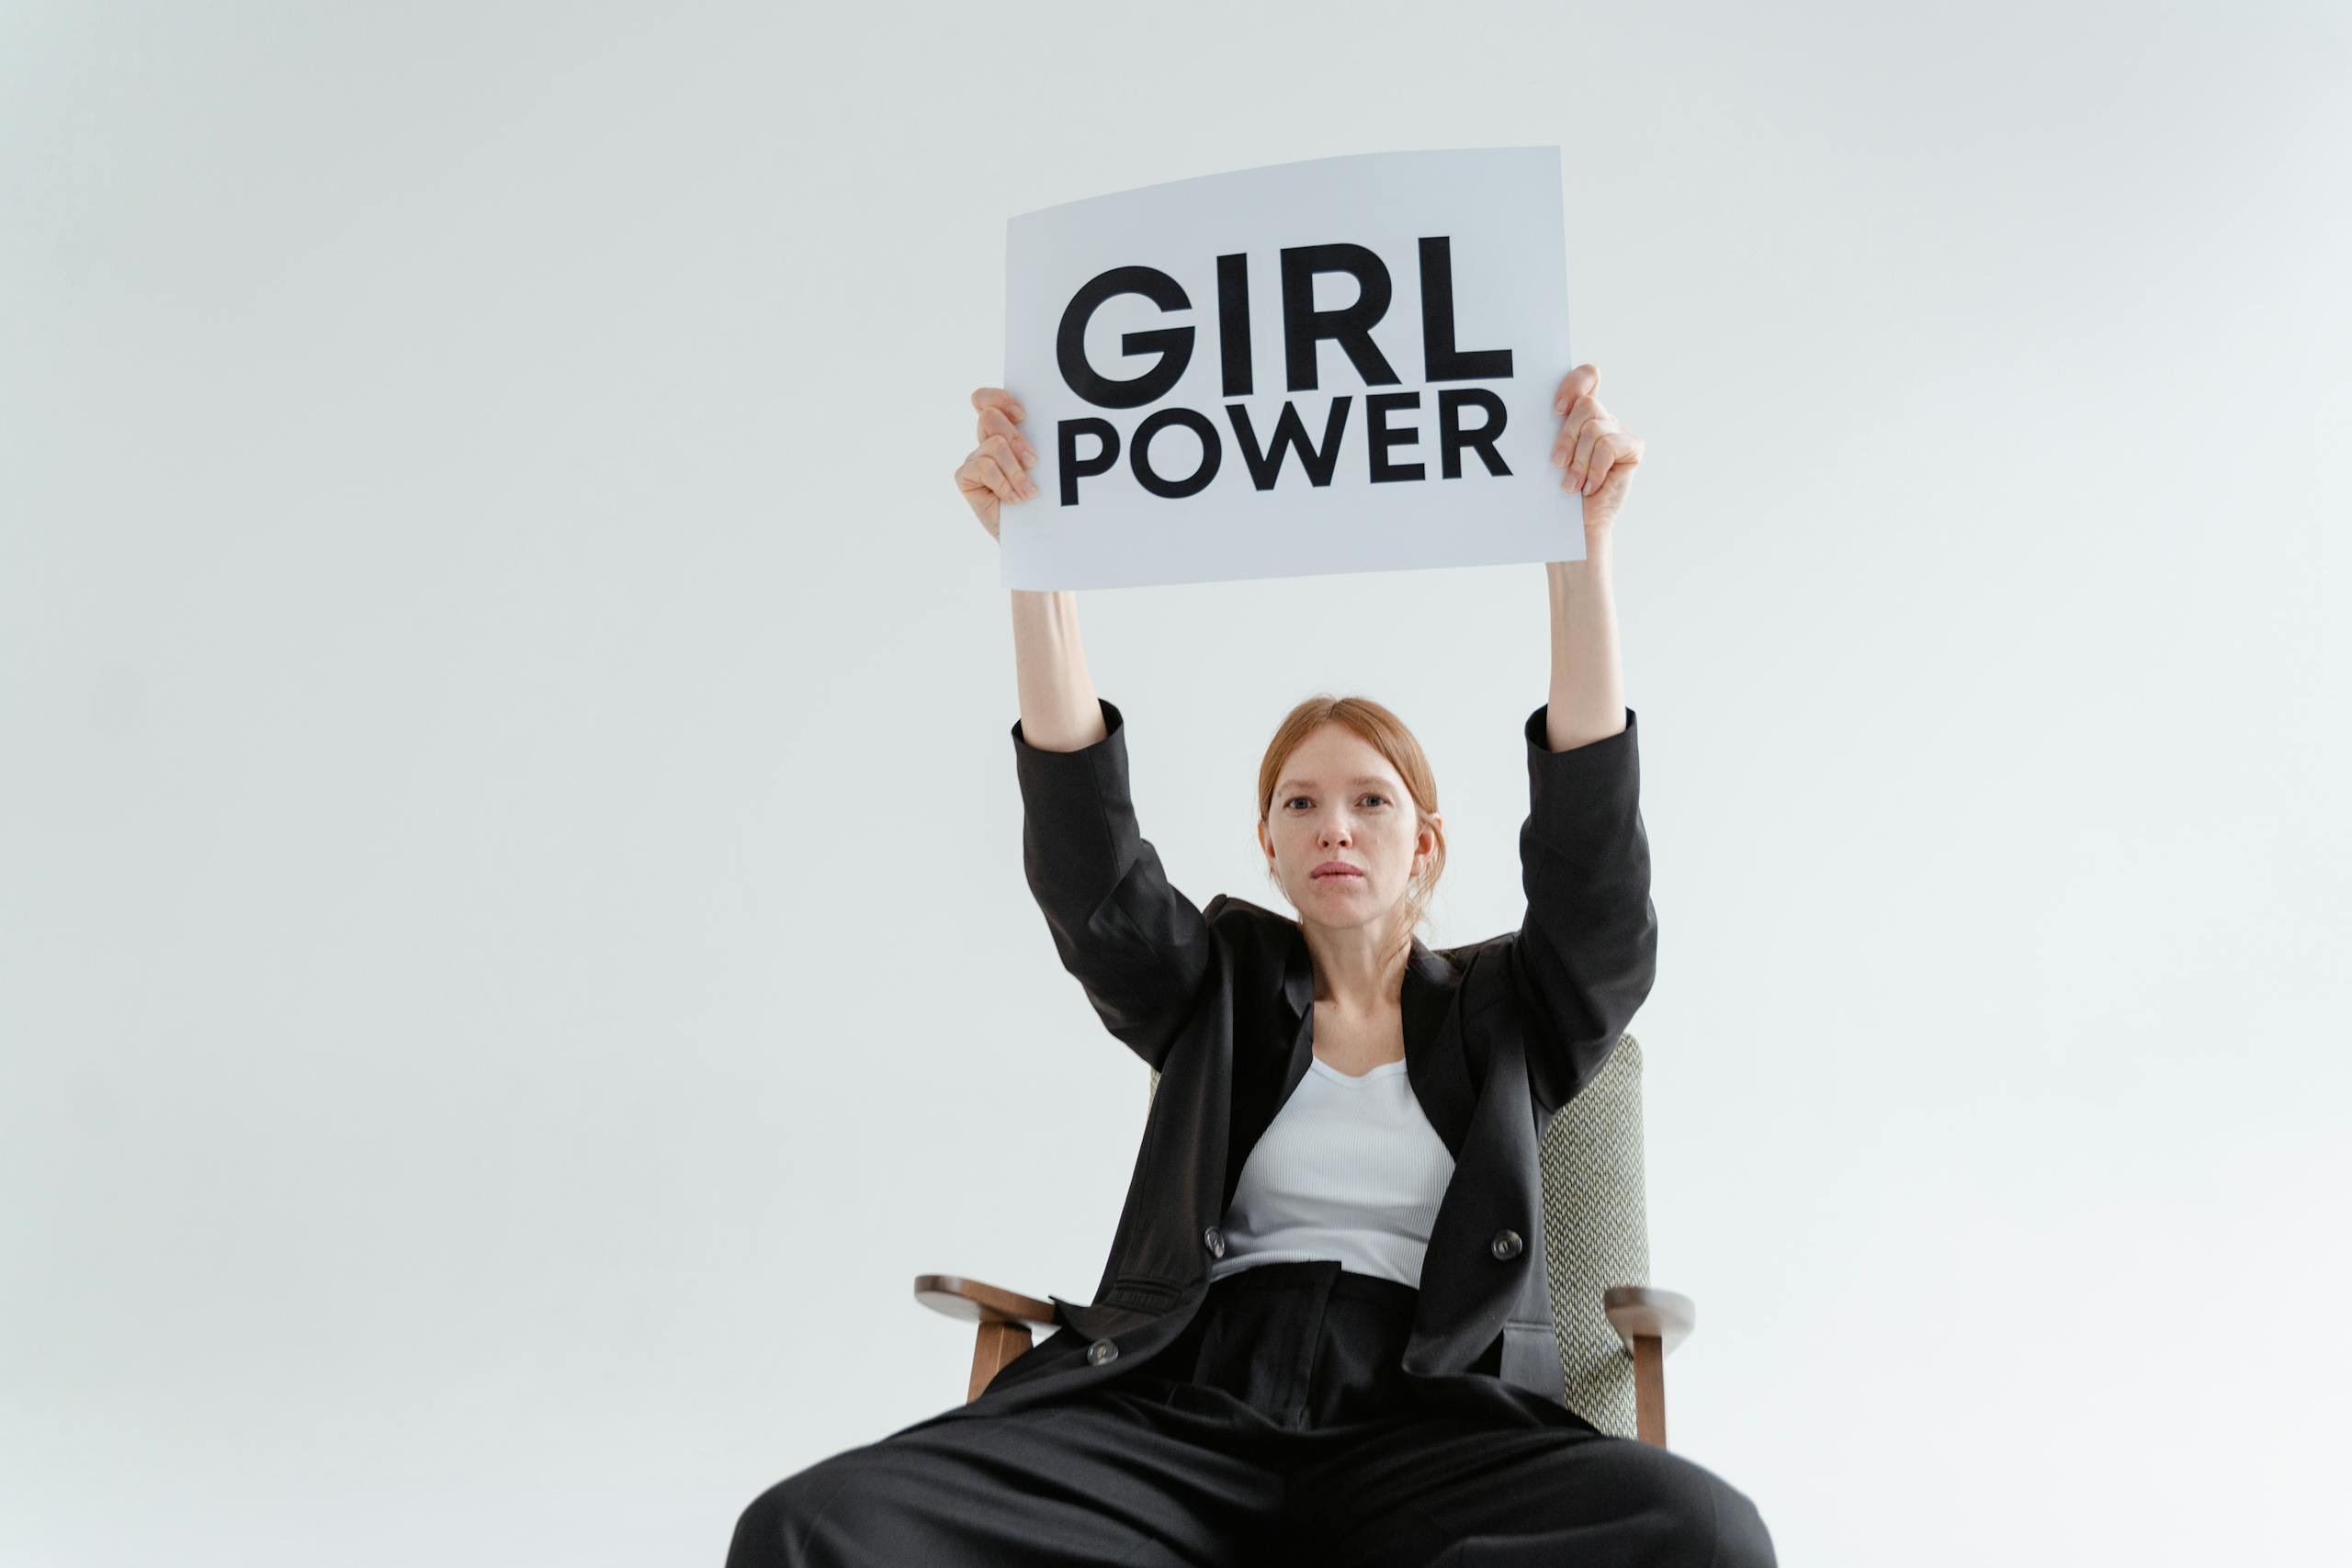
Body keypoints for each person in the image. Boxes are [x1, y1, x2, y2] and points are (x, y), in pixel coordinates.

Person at [726, 366, 1775, 1567]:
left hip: (1428, 1419)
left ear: (1424, 842)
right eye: (1302, 801)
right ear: (1266, 843)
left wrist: (1578, 551)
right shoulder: (1211, 983)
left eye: (1371, 801)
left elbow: (1596, 890)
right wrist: (1034, 565)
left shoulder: (1509, 1012)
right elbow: (1093, 871)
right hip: (1186, 1409)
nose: (1336, 826)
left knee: (1704, 1532)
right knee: (814, 1526)